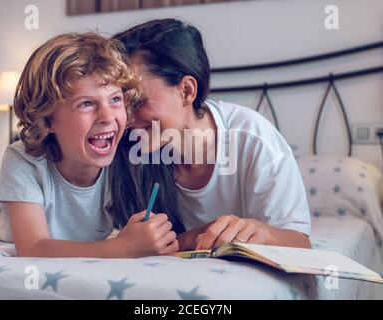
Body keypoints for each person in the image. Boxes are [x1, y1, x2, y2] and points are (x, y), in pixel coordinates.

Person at [111, 19, 311, 251]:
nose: (126, 118)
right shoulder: (121, 146)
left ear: (186, 91)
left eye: (138, 101)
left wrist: (261, 231)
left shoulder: (253, 139)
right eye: (119, 101)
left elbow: (301, 243)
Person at [0, 32, 178, 258]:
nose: (107, 116)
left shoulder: (126, 153)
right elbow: (33, 248)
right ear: (47, 119)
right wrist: (122, 247)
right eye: (86, 103)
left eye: (115, 99)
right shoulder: (24, 160)